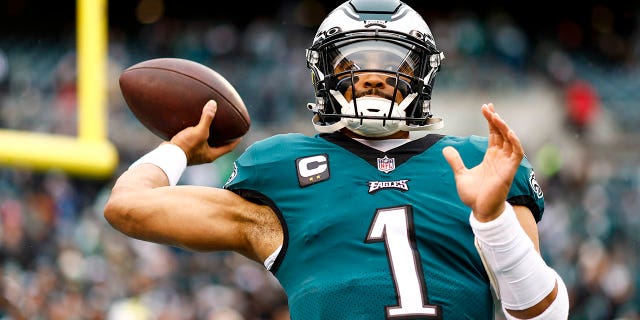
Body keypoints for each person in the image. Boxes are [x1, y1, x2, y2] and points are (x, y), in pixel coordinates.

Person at [104, 0, 570, 318]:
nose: (372, 77)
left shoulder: (474, 161)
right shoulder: (280, 168)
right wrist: (177, 148)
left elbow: (543, 315)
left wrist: (492, 220)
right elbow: (127, 208)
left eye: (392, 64)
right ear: (324, 74)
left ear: (422, 77)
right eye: (352, 64)